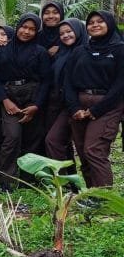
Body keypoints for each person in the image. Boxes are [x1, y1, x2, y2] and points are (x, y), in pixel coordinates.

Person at [0, 14, 51, 191]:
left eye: (32, 29)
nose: (27, 32)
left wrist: (36, 105)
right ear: (17, 27)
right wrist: (5, 100)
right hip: (9, 96)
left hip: (32, 96)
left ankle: (28, 181)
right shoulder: (1, 49)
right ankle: (6, 180)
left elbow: (46, 80)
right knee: (12, 137)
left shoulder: (40, 52)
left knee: (32, 139)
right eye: (24, 27)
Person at [63, 11, 124, 188]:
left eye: (100, 21)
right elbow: (68, 82)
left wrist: (95, 111)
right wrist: (74, 108)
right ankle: (91, 193)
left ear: (110, 24)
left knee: (94, 150)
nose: (95, 25)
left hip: (108, 105)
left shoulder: (120, 49)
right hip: (80, 104)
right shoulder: (80, 51)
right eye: (91, 22)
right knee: (82, 151)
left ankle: (103, 197)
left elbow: (120, 85)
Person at [45, 19, 87, 170]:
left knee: (85, 149)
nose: (65, 36)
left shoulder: (87, 51)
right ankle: (65, 182)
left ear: (78, 31)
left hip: (82, 104)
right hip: (63, 104)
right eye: (61, 33)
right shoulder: (60, 53)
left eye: (69, 31)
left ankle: (96, 190)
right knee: (53, 140)